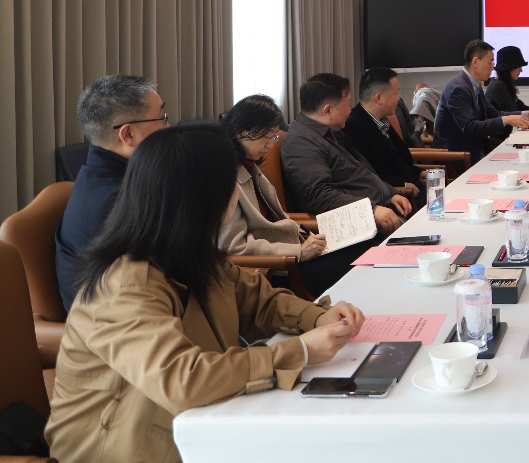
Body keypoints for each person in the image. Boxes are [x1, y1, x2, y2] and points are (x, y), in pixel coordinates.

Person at [45, 122, 364, 463]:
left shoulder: (187, 250)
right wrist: (298, 351)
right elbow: (183, 380)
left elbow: (256, 300)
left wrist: (316, 317)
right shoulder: (125, 283)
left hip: (190, 428)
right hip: (125, 449)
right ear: (205, 197)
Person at [220, 95, 371, 297]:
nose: (270, 145)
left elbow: (277, 218)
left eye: (273, 137)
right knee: (361, 259)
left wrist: (308, 239)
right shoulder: (225, 177)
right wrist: (298, 252)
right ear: (241, 132)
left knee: (366, 246)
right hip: (279, 266)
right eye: (266, 137)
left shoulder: (250, 167)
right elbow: (235, 247)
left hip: (294, 251)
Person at [54, 74, 169, 312]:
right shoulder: (115, 203)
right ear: (128, 135)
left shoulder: (109, 177)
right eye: (162, 118)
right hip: (117, 327)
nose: (168, 127)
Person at [281, 73, 412, 236]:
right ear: (328, 110)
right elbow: (319, 196)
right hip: (359, 226)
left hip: (379, 212)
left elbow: (362, 171)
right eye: (347, 104)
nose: (350, 111)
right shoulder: (301, 142)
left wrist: (389, 193)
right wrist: (371, 209)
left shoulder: (330, 132)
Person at [436, 39, 529, 164]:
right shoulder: (458, 89)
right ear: (476, 62)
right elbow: (469, 127)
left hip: (476, 151)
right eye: (490, 62)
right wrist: (507, 120)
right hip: (457, 158)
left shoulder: (474, 86)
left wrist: (527, 114)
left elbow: (493, 113)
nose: (493, 67)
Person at [343, 67, 424, 204]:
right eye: (395, 93)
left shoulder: (382, 119)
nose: (399, 98)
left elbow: (399, 160)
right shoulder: (353, 126)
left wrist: (419, 172)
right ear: (379, 98)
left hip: (414, 188)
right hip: (396, 198)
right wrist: (401, 185)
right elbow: (365, 174)